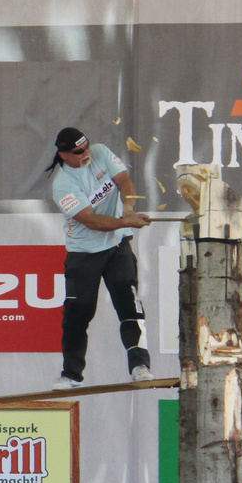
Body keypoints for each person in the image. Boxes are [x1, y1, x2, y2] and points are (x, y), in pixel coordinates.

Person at [46, 126, 152, 390]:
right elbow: (91, 221)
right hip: (84, 252)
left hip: (118, 245)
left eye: (87, 147)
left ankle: (140, 365)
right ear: (63, 154)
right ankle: (71, 375)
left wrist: (127, 209)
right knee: (77, 314)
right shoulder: (63, 184)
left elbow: (125, 181)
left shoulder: (101, 152)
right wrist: (123, 221)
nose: (85, 153)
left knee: (130, 305)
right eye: (78, 151)